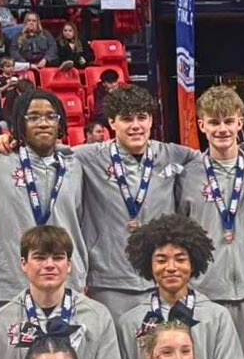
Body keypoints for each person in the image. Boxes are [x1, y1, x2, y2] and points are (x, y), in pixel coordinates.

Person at [0, 226, 127, 359]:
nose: (49, 264)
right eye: (40, 257)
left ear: (69, 265)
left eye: (58, 257)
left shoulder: (97, 316)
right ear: (23, 264)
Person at [0, 89, 85, 308]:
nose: (43, 123)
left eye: (50, 116)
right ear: (20, 123)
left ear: (60, 123)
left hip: (66, 281)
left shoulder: (76, 164)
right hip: (11, 283)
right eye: (33, 117)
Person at [71, 85, 186, 320]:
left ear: (151, 120)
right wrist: (6, 141)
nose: (135, 126)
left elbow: (218, 156)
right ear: (112, 122)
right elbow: (43, 153)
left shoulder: (172, 155)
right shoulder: (88, 156)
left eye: (142, 118)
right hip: (109, 282)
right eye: (126, 119)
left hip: (160, 279)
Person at [119, 214, 244, 359]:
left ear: (193, 263)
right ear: (149, 265)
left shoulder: (217, 317)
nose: (171, 267)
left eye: (180, 259)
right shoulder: (130, 322)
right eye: (161, 260)